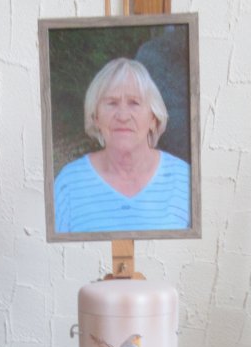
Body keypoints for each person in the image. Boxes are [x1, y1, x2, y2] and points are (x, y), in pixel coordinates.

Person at [54, 58, 190, 234]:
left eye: (134, 103)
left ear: (153, 119)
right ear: (95, 117)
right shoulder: (68, 184)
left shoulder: (185, 180)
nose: (123, 116)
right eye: (111, 103)